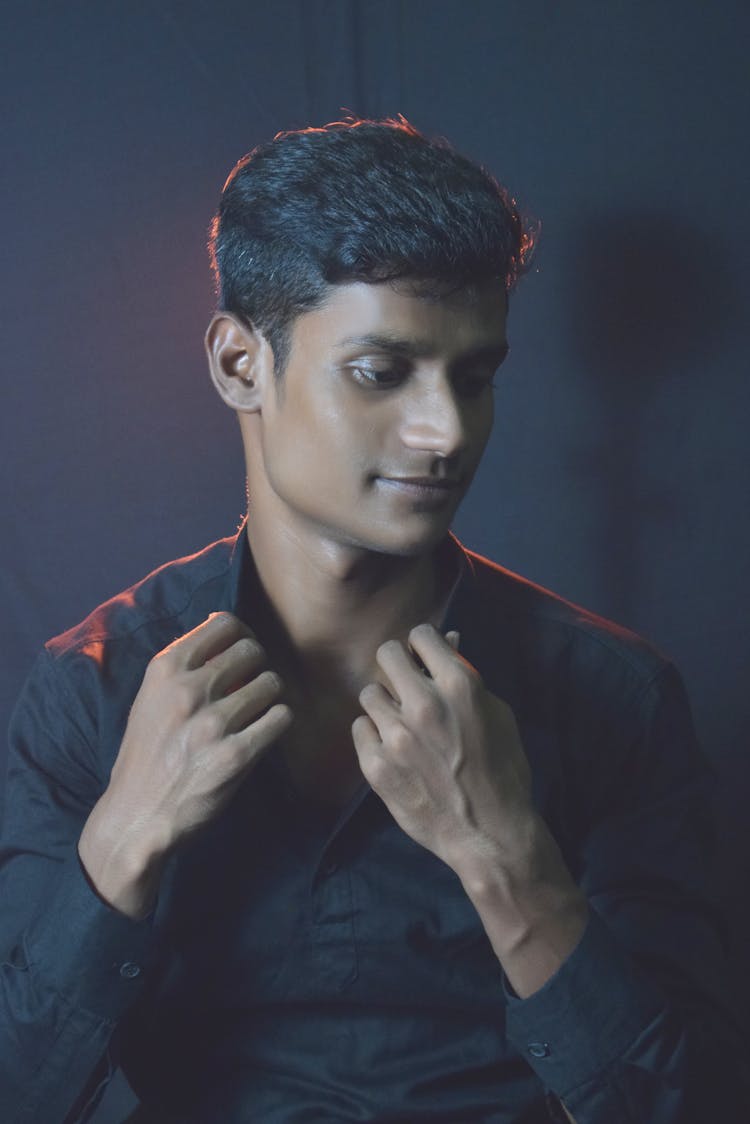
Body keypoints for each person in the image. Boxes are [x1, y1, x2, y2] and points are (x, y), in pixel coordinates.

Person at [0, 115, 746, 1124]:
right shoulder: (91, 687)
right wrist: (126, 839)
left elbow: (690, 1106)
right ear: (239, 365)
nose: (445, 430)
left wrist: (511, 861)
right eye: (380, 370)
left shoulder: (613, 696)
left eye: (474, 377)